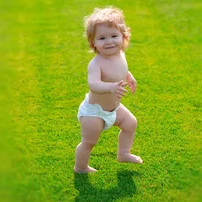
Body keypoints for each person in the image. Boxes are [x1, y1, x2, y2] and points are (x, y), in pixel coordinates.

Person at [74, 6, 143, 174]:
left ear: (123, 37)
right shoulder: (96, 63)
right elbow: (94, 84)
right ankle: (80, 167)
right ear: (93, 43)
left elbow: (120, 70)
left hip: (114, 108)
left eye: (114, 36)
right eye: (102, 38)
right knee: (89, 142)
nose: (109, 41)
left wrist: (129, 76)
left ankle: (123, 153)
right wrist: (111, 87)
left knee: (130, 123)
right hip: (94, 112)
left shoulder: (121, 55)